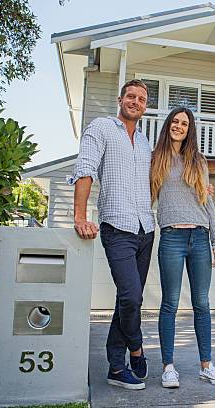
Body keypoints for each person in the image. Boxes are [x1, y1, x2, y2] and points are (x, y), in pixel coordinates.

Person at [68, 79, 153, 390]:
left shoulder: (144, 143)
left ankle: (116, 368)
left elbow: (157, 180)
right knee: (132, 297)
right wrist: (80, 216)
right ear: (120, 99)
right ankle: (136, 349)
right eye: (130, 96)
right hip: (117, 227)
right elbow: (85, 168)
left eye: (141, 99)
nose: (135, 102)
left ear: (146, 106)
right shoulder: (101, 128)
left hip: (147, 230)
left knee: (126, 300)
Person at [150, 107, 215, 388]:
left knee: (202, 304)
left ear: (189, 129)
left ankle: (206, 365)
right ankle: (168, 367)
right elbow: (145, 196)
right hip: (171, 237)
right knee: (170, 303)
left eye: (184, 123)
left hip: (200, 239)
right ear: (168, 125)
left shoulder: (198, 160)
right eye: (175, 121)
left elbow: (208, 202)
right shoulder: (156, 159)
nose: (179, 126)